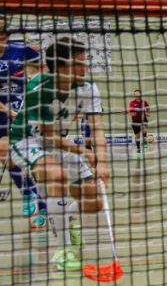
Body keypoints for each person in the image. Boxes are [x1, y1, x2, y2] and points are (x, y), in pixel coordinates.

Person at [10, 37, 110, 271]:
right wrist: (83, 151)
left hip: (58, 143)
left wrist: (102, 162)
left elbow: (96, 127)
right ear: (61, 66)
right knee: (58, 176)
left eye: (85, 61)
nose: (85, 67)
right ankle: (63, 251)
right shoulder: (39, 89)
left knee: (94, 202)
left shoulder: (88, 88)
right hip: (27, 141)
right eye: (79, 63)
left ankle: (67, 219)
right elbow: (48, 136)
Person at [0, 14, 43, 223]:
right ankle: (29, 194)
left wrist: (33, 84)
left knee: (28, 158)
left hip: (21, 107)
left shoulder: (21, 50)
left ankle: (41, 204)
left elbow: (42, 72)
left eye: (3, 31)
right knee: (6, 157)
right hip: (1, 110)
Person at [127, 88, 150, 155]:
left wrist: (147, 113)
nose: (136, 95)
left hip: (143, 120)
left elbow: (148, 109)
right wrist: (132, 114)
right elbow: (129, 112)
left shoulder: (144, 102)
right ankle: (138, 148)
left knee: (144, 130)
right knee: (137, 136)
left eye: (137, 93)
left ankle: (145, 142)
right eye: (135, 94)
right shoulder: (132, 103)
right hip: (135, 121)